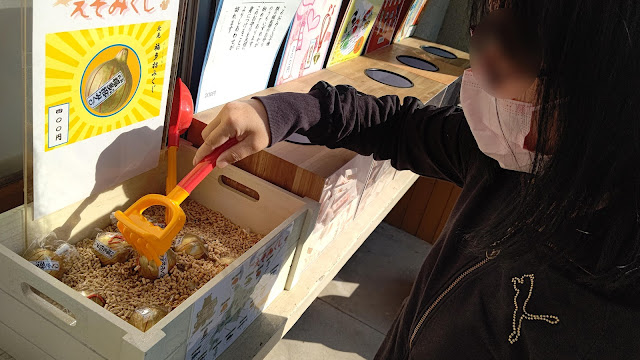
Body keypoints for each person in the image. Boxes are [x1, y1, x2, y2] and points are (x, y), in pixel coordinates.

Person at [194, 0, 640, 358]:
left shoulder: (615, 306)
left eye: (513, 47)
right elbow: (396, 125)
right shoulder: (509, 152)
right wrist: (279, 113)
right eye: (483, 28)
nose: (480, 74)